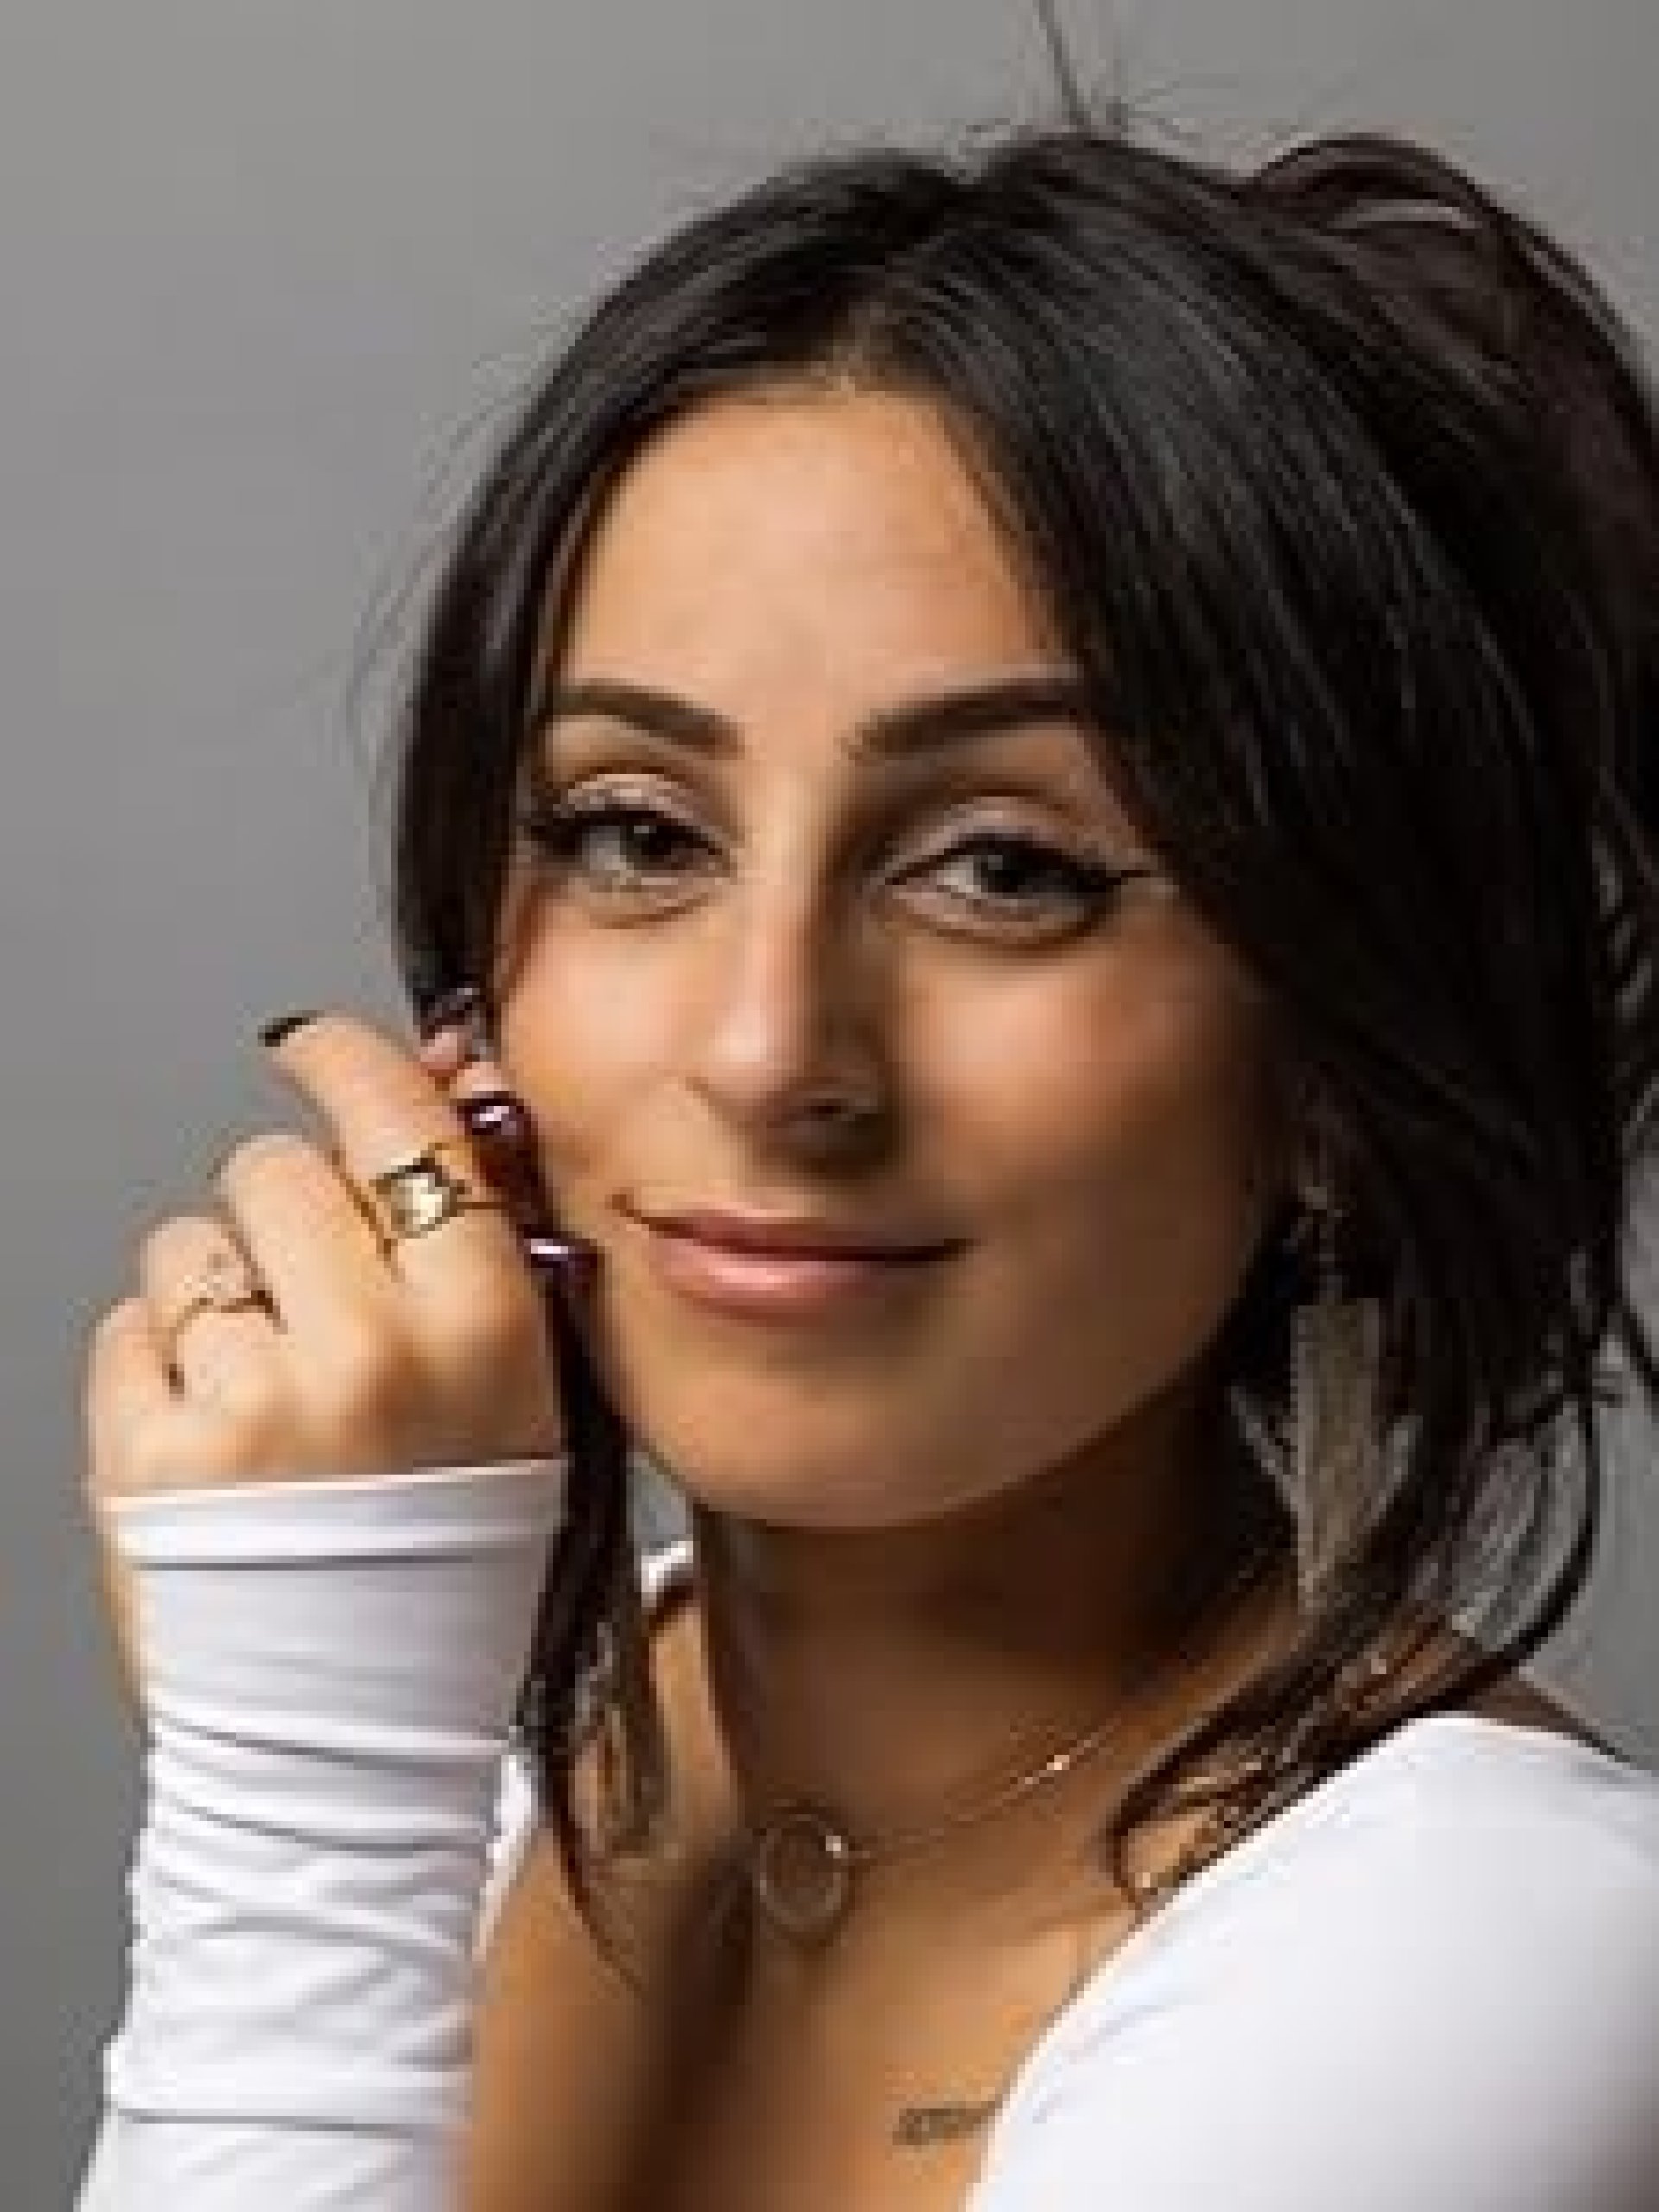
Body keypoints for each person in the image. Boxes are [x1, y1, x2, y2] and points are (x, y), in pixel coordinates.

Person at [78, 91, 1659, 2212]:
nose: (768, 1050)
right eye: (636, 833)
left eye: (1005, 866)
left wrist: (300, 1782)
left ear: (1336, 1057)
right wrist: (346, 1715)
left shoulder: (1494, 1961)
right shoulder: (482, 1732)